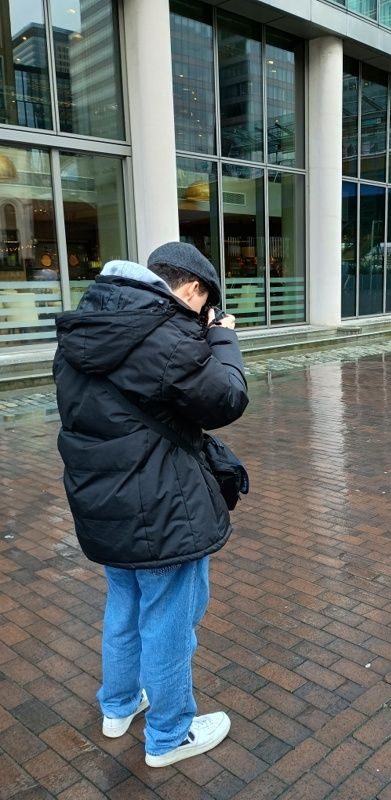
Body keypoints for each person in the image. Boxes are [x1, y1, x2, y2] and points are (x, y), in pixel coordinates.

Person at [53, 242, 248, 767]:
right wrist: (223, 337)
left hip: (101, 501)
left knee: (124, 605)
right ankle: (168, 736)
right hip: (164, 507)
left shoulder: (84, 327)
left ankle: (117, 708)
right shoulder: (163, 337)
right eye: (203, 305)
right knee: (168, 621)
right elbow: (226, 398)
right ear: (193, 290)